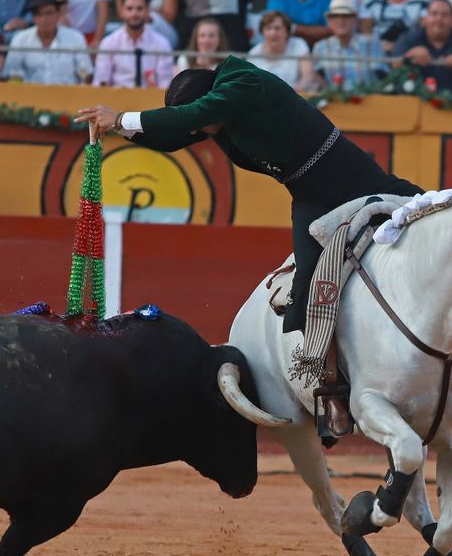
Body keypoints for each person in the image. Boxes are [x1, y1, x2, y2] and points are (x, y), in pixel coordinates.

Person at [74, 55, 429, 431]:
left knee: (430, 216)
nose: (201, 130)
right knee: (306, 287)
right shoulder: (217, 116)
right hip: (309, 196)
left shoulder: (243, 82)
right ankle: (332, 389)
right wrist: (118, 129)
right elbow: (175, 134)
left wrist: (123, 117)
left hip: (352, 177)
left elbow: (194, 116)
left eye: (199, 121)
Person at [392, 0, 452, 93]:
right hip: (413, 100)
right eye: (434, 14)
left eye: (445, 15)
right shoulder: (409, 38)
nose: (439, 19)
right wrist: (410, 56)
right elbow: (395, 66)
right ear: (426, 18)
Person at [3, 0, 91, 85]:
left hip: (68, 96)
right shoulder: (20, 39)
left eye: (49, 13)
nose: (45, 19)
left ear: (58, 14)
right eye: (39, 14)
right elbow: (12, 74)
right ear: (33, 18)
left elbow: (85, 73)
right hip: (30, 96)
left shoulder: (75, 38)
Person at [94, 0, 176, 86]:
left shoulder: (162, 43)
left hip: (150, 98)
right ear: (122, 11)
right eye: (129, 9)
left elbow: (165, 83)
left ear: (147, 11)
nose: (134, 14)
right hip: (116, 98)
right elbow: (101, 82)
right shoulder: (108, 43)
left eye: (139, 9)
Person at [311, 0, 384, 85]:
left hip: (369, 98)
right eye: (335, 16)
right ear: (329, 21)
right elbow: (316, 78)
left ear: (354, 19)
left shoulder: (372, 43)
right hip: (333, 98)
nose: (341, 20)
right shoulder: (320, 47)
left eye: (346, 16)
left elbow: (385, 78)